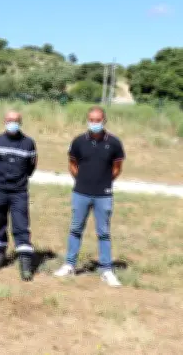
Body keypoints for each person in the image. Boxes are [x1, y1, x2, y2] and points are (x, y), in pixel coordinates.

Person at [54, 106, 125, 287]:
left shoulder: (114, 143)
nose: (94, 123)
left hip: (104, 195)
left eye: (98, 120)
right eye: (91, 120)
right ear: (87, 121)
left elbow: (116, 168)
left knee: (104, 232)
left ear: (104, 121)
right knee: (75, 229)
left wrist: (104, 182)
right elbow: (72, 164)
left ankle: (106, 269)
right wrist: (82, 180)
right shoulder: (78, 142)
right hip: (81, 193)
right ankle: (69, 264)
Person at [0, 110, 38, 281]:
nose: (12, 123)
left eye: (15, 120)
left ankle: (25, 264)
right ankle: (0, 255)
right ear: (4, 121)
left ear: (20, 122)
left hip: (19, 192)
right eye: (9, 120)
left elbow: (30, 168)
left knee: (21, 225)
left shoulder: (29, 144)